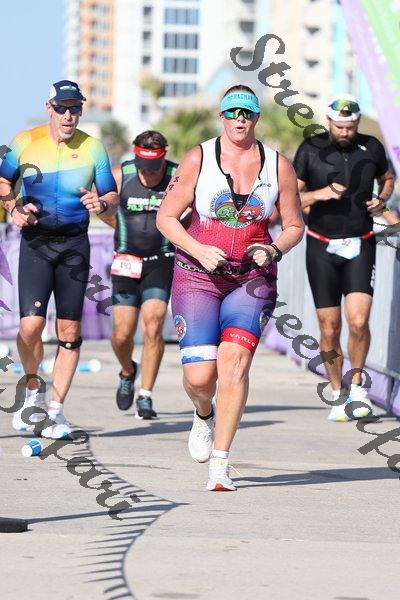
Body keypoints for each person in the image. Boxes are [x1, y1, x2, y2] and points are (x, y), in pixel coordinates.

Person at [157, 85, 304, 491]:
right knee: (200, 377)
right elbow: (166, 218)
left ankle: (220, 464)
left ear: (257, 118)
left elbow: (294, 225)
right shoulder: (198, 158)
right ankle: (203, 413)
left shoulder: (279, 166)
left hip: (251, 281)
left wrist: (273, 249)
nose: (240, 119)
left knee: (235, 364)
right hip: (197, 276)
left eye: (247, 112)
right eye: (233, 112)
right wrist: (198, 249)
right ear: (221, 117)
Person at [0, 80, 118, 438]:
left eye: (75, 108)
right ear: (49, 108)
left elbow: (111, 196)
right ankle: (33, 392)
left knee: (69, 331)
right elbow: (3, 183)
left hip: (74, 246)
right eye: (63, 107)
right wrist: (13, 208)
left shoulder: (93, 147)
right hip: (36, 243)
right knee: (30, 327)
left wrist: (102, 203)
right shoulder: (25, 141)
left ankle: (56, 412)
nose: (69, 115)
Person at [293, 94, 394, 422]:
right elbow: (292, 197)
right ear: (329, 122)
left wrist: (382, 200)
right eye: (339, 126)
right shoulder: (311, 149)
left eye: (350, 127)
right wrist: (320, 194)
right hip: (321, 246)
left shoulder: (372, 146)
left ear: (357, 123)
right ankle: (338, 393)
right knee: (330, 327)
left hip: (361, 244)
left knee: (359, 321)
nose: (345, 132)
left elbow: (387, 178)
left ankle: (359, 387)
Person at [103, 131, 178, 419]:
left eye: (153, 167)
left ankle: (145, 394)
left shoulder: (177, 176)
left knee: (153, 324)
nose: (147, 173)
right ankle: (127, 371)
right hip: (126, 261)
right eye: (143, 167)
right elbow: (103, 205)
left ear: (163, 157)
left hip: (161, 260)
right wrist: (120, 228)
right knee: (121, 335)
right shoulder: (121, 175)